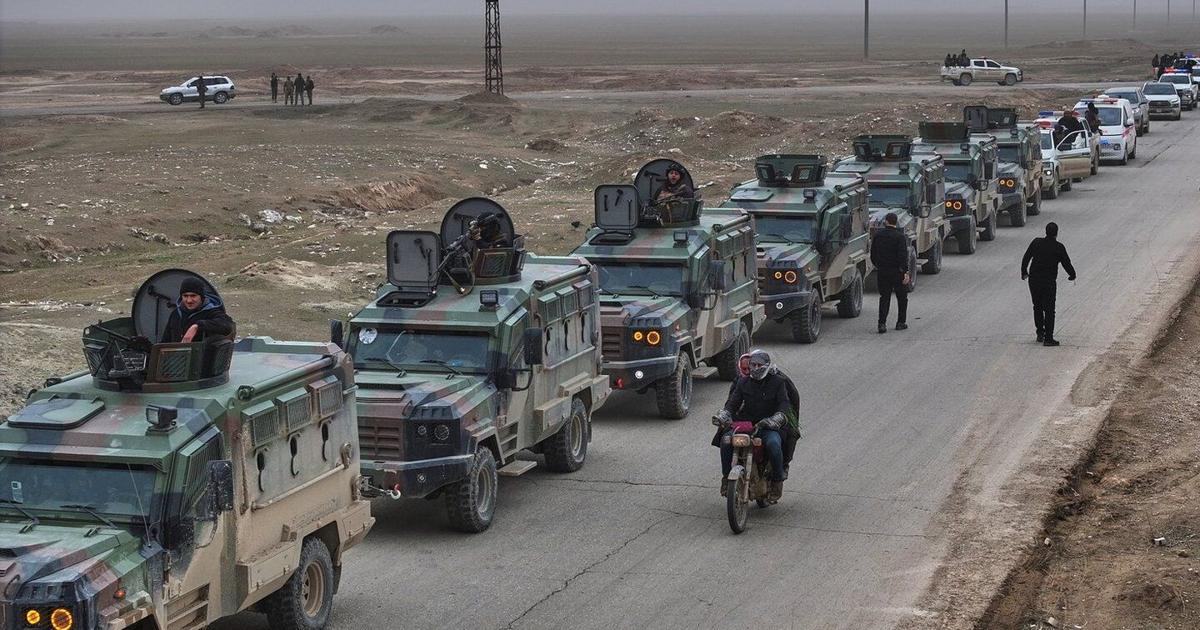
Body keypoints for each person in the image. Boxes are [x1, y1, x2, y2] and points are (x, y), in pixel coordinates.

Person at [712, 350, 790, 502]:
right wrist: (724, 415)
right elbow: (732, 404)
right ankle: (726, 478)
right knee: (726, 440)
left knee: (774, 444)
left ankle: (777, 481)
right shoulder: (743, 382)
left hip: (767, 427)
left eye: (759, 365)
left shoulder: (778, 382)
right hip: (746, 425)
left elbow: (784, 404)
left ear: (767, 366)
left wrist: (776, 419)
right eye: (753, 365)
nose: (755, 368)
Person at [1021, 222, 1076, 346]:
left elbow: (1026, 257)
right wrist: (1072, 275)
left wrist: (1024, 272)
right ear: (1056, 233)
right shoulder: (1058, 247)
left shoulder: (1036, 242)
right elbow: (1066, 263)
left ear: (1045, 231)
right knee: (1049, 310)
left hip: (1034, 280)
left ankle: (1040, 333)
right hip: (1048, 282)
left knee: (1037, 306)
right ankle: (1048, 339)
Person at [161, 277, 235, 344]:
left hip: (204, 354)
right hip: (177, 354)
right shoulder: (176, 314)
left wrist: (197, 326)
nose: (189, 300)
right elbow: (165, 342)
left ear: (201, 297)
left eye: (193, 296)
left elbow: (226, 326)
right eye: (185, 296)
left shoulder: (211, 311)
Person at [870, 212, 909, 334]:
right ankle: (900, 322)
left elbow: (873, 254)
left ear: (886, 221)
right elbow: (902, 256)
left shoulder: (878, 236)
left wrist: (878, 265)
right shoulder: (900, 237)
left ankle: (882, 324)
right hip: (897, 272)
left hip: (883, 271)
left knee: (884, 298)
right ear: (896, 222)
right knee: (902, 298)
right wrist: (905, 272)